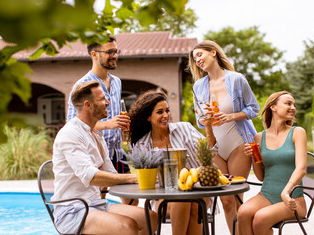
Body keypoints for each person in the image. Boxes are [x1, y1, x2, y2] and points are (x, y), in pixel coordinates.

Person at [52, 81, 157, 235]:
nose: (107, 102)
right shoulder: (71, 133)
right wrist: (133, 179)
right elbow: (91, 176)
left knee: (150, 217)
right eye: (102, 99)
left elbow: (111, 174)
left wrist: (147, 176)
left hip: (97, 204)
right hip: (72, 210)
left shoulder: (96, 134)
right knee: (127, 227)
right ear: (88, 105)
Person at [189, 40, 260, 232]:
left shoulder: (236, 79)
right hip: (215, 148)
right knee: (226, 201)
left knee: (236, 197)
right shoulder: (199, 86)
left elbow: (254, 108)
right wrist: (205, 119)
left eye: (200, 55)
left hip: (238, 143)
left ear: (213, 52)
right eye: (195, 59)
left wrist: (230, 116)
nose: (198, 61)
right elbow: (199, 120)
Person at [129, 90, 216, 235]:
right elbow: (147, 180)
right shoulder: (142, 145)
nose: (166, 115)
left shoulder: (184, 129)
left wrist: (208, 126)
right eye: (160, 112)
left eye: (167, 110)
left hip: (196, 191)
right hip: (162, 198)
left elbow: (211, 152)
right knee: (182, 200)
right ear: (148, 117)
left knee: (192, 203)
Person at [66, 36, 134, 204]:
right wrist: (108, 125)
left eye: (116, 51)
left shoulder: (117, 82)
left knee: (132, 199)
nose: (115, 55)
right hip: (94, 153)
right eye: (110, 52)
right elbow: (73, 123)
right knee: (98, 200)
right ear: (94, 54)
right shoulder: (82, 86)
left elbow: (114, 114)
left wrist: (122, 127)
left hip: (116, 152)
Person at [237, 91, 307, 235]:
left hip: (293, 199)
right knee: (242, 213)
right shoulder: (259, 137)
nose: (293, 107)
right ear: (273, 107)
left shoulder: (297, 132)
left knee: (260, 218)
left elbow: (301, 168)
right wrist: (253, 157)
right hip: (266, 195)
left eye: (294, 104)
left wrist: (286, 192)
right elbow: (261, 177)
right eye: (288, 103)